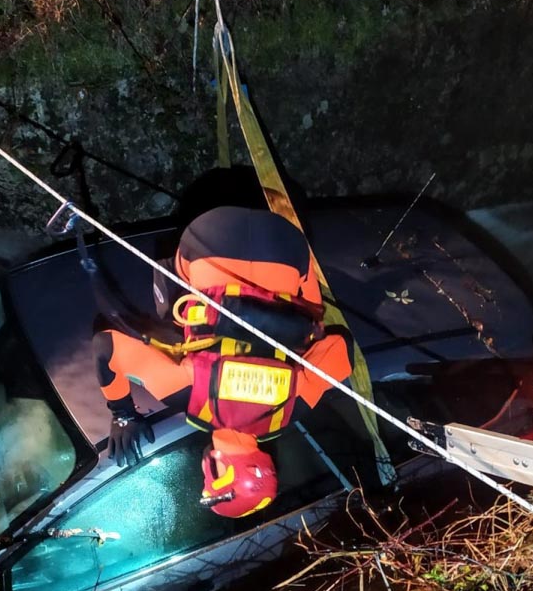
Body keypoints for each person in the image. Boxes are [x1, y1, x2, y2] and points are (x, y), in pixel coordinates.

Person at [92, 205, 353, 517]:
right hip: (207, 232)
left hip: (286, 242)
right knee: (171, 316)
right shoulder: (191, 398)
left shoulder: (291, 407)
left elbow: (342, 347)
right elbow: (105, 345)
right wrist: (123, 414)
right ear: (214, 469)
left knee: (311, 315)